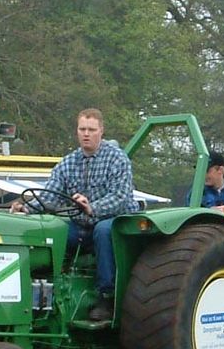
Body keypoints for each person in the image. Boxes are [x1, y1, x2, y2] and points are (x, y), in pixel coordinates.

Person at [11, 108, 137, 321]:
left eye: (91, 130)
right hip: (81, 223)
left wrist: (92, 207)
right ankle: (51, 287)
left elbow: (120, 197)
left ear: (101, 131)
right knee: (54, 231)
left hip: (115, 220)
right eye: (82, 129)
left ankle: (106, 296)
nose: (86, 134)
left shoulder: (117, 159)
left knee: (102, 231)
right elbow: (50, 196)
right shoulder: (68, 163)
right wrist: (26, 209)